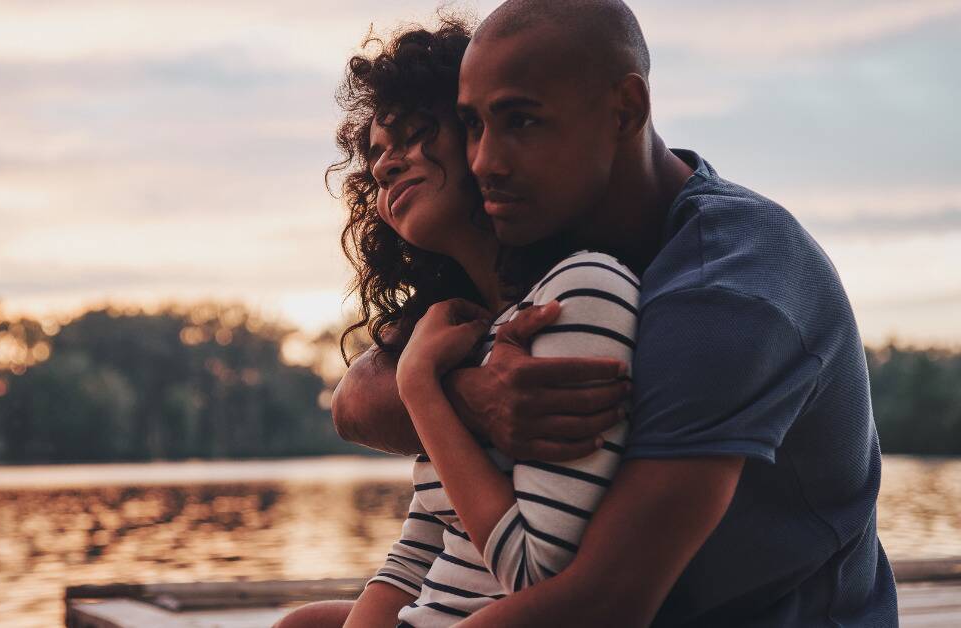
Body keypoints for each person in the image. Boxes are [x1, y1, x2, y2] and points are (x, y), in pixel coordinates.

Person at [333, 0, 898, 626]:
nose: (486, 160)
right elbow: (355, 399)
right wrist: (468, 393)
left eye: (521, 121)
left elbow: (603, 604)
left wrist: (437, 390)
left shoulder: (726, 288)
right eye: (472, 126)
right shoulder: (547, 254)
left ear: (625, 110)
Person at [276, 16, 638, 628]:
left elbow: (535, 576)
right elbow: (421, 545)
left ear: (481, 139)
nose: (387, 164)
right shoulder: (461, 332)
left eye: (415, 136)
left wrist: (420, 385)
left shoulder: (576, 296)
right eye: (377, 153)